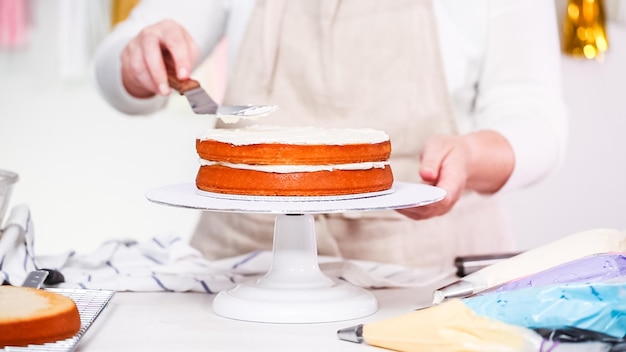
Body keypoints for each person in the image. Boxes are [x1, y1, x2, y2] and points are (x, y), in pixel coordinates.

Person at [94, 0, 568, 267]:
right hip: (243, 260)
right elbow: (120, 56)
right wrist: (137, 63)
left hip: (424, 269)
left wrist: (470, 155)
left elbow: (535, 118)